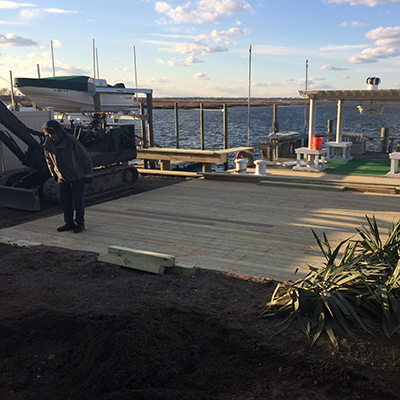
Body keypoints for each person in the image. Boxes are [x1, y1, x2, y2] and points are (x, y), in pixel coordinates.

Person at [43, 120, 93, 233]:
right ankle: (69, 222)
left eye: (53, 134)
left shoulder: (71, 141)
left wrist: (88, 174)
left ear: (59, 132)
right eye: (49, 135)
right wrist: (53, 174)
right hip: (62, 177)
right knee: (65, 201)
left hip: (77, 176)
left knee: (78, 201)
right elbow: (49, 159)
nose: (51, 137)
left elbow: (85, 158)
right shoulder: (49, 143)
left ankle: (80, 223)